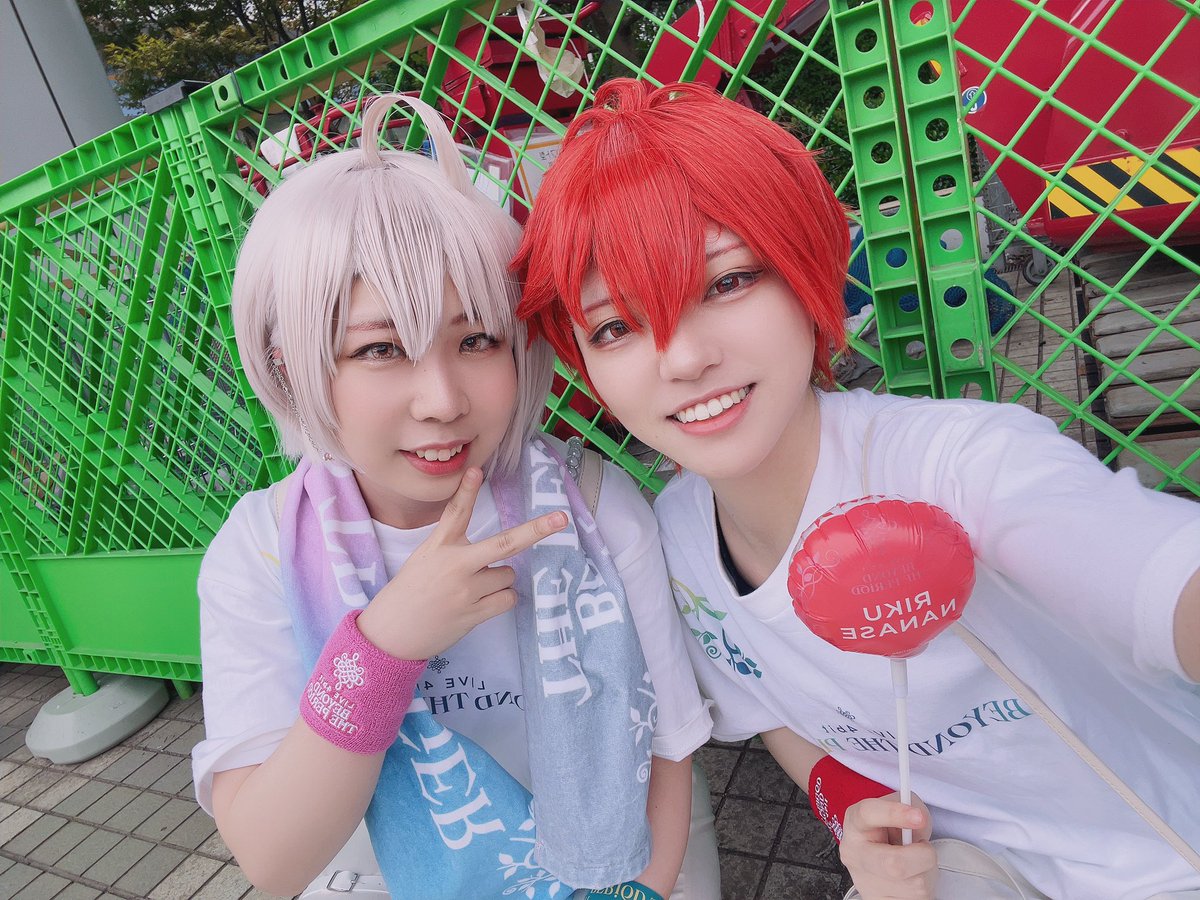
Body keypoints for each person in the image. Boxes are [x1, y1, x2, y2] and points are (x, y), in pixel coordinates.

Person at [515, 78, 1200, 899]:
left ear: (805, 272)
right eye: (616, 327)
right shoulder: (679, 545)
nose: (684, 358)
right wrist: (850, 812)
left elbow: (1153, 576)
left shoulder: (956, 466)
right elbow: (771, 710)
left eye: (727, 282)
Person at [190, 93, 719, 900]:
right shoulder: (261, 554)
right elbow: (273, 858)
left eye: (476, 339)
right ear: (291, 365)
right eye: (379, 350)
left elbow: (670, 747)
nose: (442, 401)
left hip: (631, 866)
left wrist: (639, 889)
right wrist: (385, 646)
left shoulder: (591, 505)